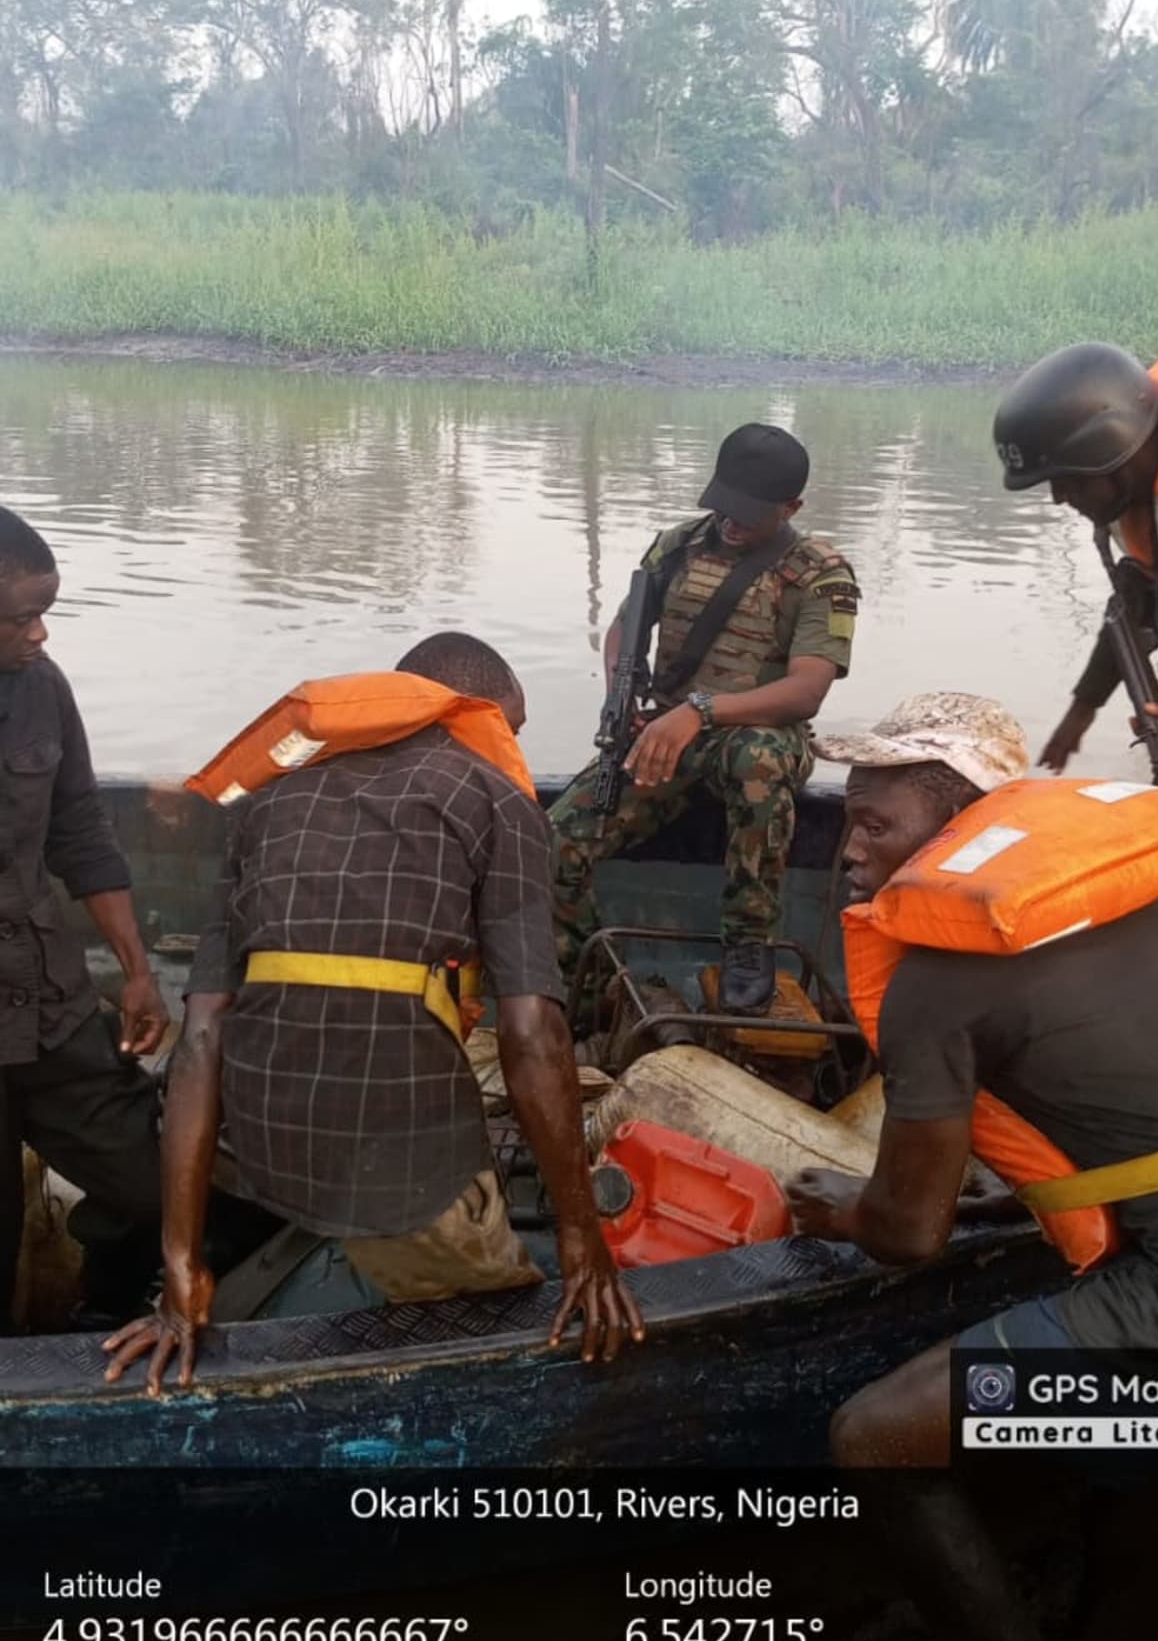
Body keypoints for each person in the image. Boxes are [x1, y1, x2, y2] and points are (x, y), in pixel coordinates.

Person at [103, 632, 643, 1394]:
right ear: (475, 713)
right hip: (396, 1165)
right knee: (498, 1291)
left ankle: (232, 1255)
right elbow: (531, 1034)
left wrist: (181, 1265)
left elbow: (200, 1039)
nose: (509, 750)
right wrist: (582, 1235)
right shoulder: (499, 802)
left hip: (245, 1141)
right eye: (510, 730)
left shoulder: (269, 797)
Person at [786, 691, 1158, 1469]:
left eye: (875, 826)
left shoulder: (933, 986)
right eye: (850, 822)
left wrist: (844, 1209)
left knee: (875, 1438)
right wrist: (1012, 1198)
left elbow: (909, 1234)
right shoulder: (1127, 892)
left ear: (956, 825)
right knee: (1123, 1442)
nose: (849, 852)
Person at [551, 422, 859, 1016]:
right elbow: (624, 628)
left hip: (759, 737)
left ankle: (748, 939)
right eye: (724, 504)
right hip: (667, 735)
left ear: (791, 508)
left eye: (749, 512)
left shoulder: (819, 574)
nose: (732, 522)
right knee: (557, 841)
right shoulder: (677, 548)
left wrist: (701, 711)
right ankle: (594, 993)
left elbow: (807, 691)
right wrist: (622, 689)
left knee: (757, 759)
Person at [0, 505, 168, 1331]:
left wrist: (137, 971)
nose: (41, 634)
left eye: (46, 613)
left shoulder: (43, 689)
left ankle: (102, 1306)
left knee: (157, 1183)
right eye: (23, 617)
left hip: (51, 1006)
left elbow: (81, 832)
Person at [993, 333, 1158, 771]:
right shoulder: (1143, 468)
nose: (1058, 498)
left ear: (1118, 450)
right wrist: (1083, 709)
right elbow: (1147, 600)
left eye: (1069, 480)